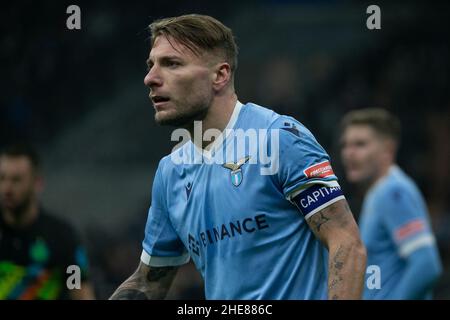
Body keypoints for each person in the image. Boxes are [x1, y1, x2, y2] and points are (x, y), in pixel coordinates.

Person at [110, 14, 366, 300]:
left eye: (172, 64)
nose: (151, 78)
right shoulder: (170, 172)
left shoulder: (279, 139)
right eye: (151, 65)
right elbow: (148, 284)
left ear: (220, 75)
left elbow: (346, 242)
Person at [340, 108, 443, 299]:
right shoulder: (377, 194)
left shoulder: (394, 191)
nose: (349, 153)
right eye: (345, 145)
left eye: (360, 144)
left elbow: (426, 265)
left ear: (388, 150)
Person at [0, 143, 95, 300]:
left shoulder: (63, 237)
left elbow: (80, 290)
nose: (7, 188)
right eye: (2, 178)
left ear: (37, 183)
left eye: (16, 180)